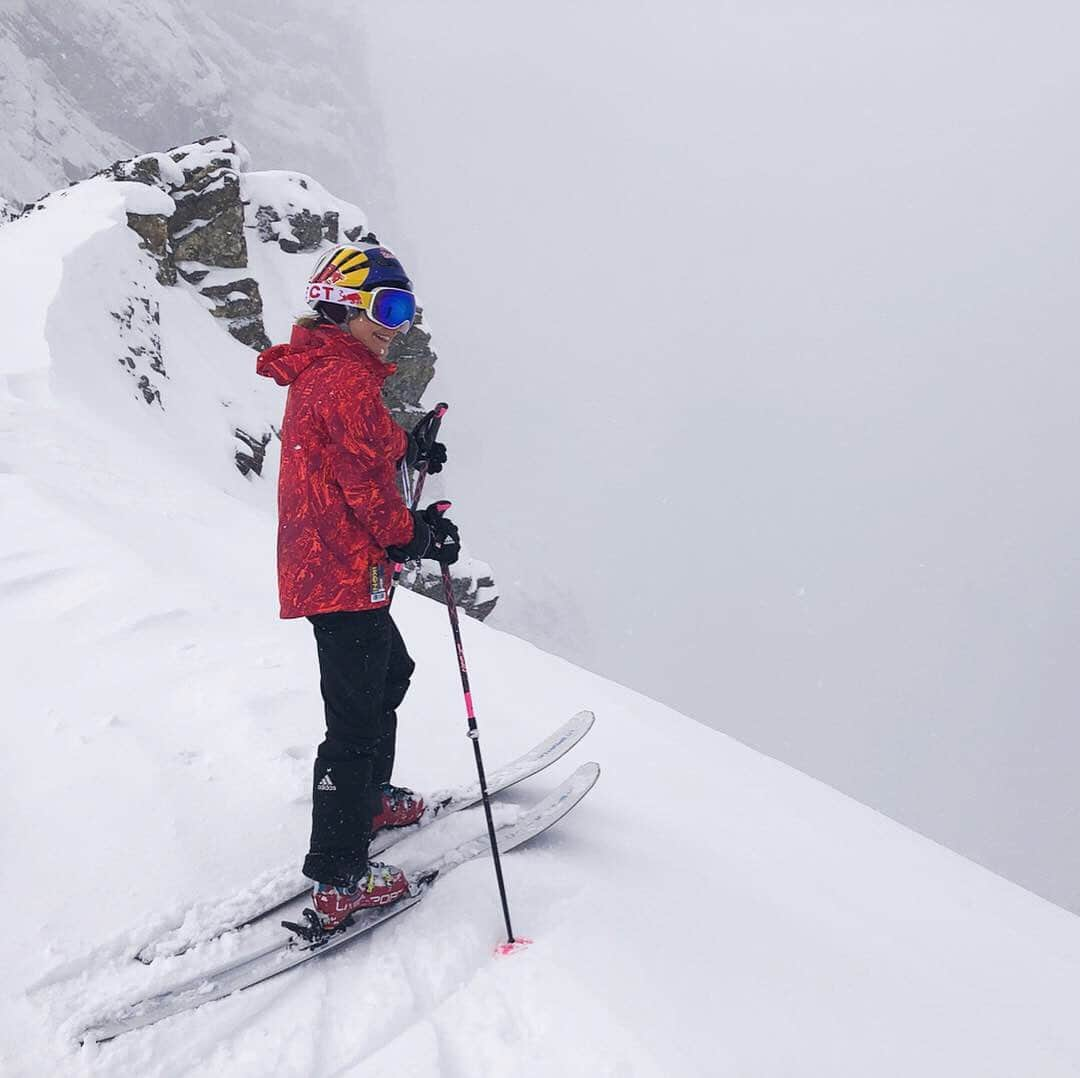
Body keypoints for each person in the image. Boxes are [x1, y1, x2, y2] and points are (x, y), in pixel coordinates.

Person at [256, 243, 459, 930]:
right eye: (384, 307)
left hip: (338, 566)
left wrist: (410, 446)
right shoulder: (343, 381)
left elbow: (361, 448)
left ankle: (369, 797)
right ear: (341, 303)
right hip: (343, 570)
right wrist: (417, 536)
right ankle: (340, 874)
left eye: (404, 309)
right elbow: (366, 487)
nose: (395, 324)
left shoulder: (336, 373)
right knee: (354, 721)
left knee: (388, 674)